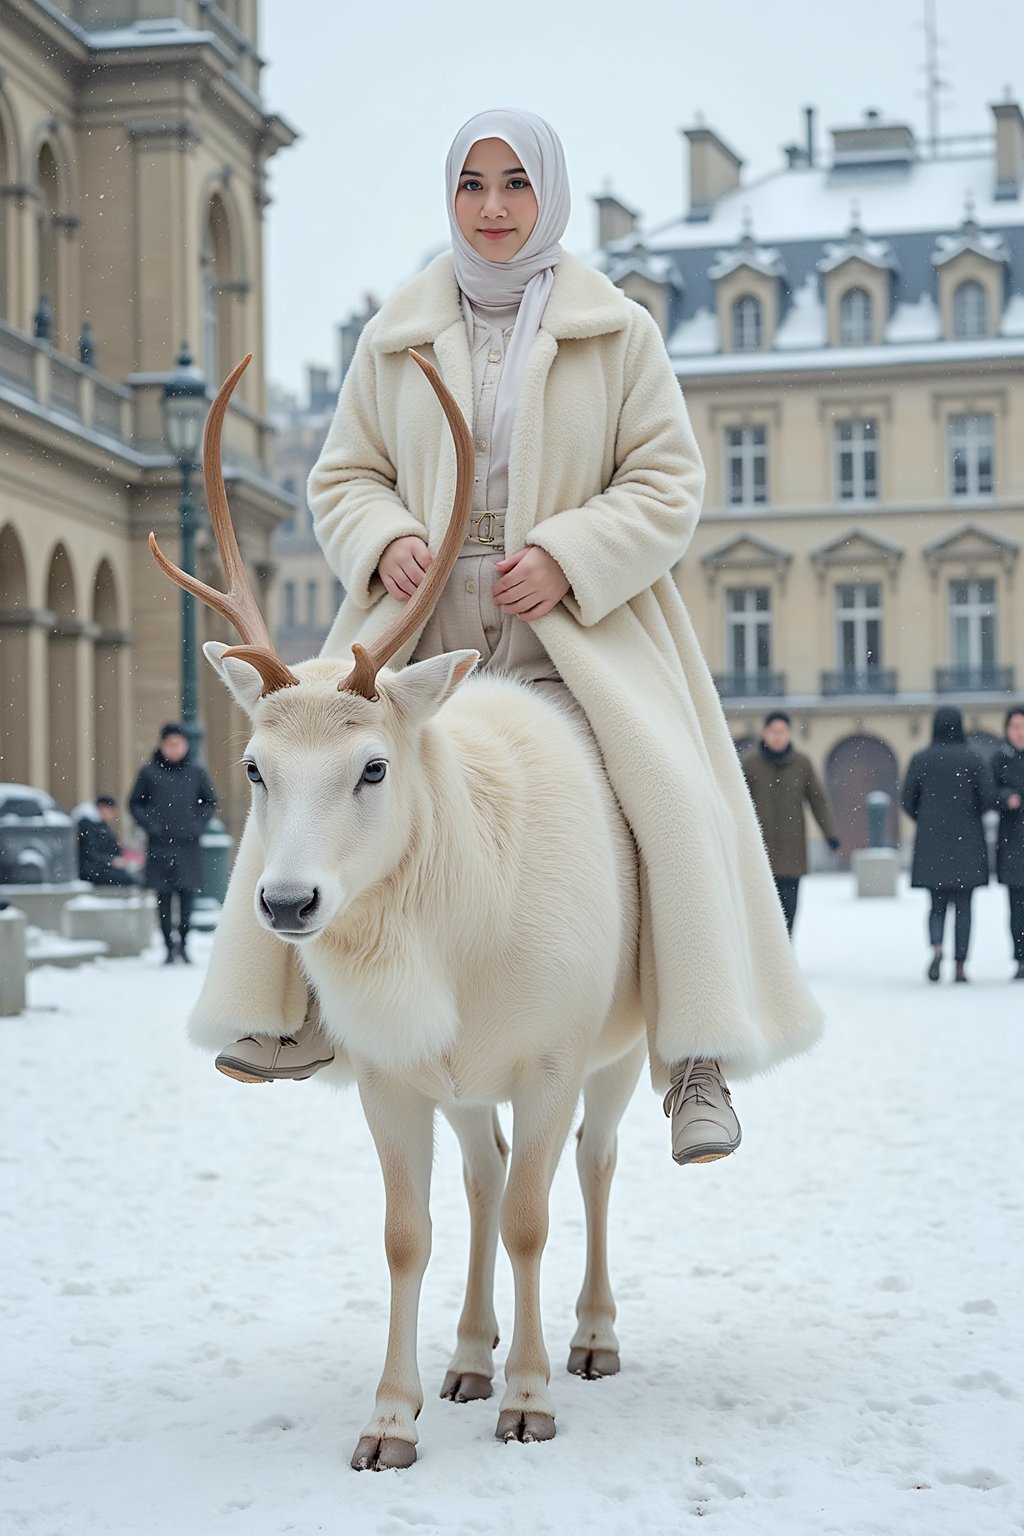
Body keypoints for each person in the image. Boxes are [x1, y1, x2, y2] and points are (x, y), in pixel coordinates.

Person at [189, 108, 823, 1168]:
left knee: (667, 798)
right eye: (472, 185)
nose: (491, 208)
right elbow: (342, 475)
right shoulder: (393, 336)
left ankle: (693, 1056)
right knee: (310, 779)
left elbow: (669, 482)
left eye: (514, 185)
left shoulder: (619, 332)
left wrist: (572, 552)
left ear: (549, 196)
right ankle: (288, 1010)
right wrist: (384, 537)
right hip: (415, 641)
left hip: (576, 639)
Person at [901, 705, 993, 983]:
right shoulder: (973, 759)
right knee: (964, 906)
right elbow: (988, 798)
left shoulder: (921, 759)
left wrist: (927, 818)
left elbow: (907, 800)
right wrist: (968, 815)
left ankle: (938, 947)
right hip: (968, 843)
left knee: (936, 904)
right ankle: (961, 965)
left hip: (932, 843)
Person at [740, 712, 840, 936]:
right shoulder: (750, 763)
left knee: (790, 905)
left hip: (792, 850)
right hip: (759, 850)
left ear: (789, 734)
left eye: (782, 732)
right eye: (773, 732)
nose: (777, 737)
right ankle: (766, 954)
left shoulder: (802, 763)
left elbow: (818, 800)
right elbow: (736, 802)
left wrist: (830, 834)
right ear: (765, 733)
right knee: (762, 908)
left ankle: (786, 949)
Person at [129, 724, 217, 964]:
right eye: (170, 744)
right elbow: (135, 804)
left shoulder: (196, 772)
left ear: (186, 746)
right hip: (160, 846)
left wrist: (197, 826)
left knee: (188, 898)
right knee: (163, 900)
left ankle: (184, 943)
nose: (175, 749)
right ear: (162, 745)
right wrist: (152, 827)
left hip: (188, 846)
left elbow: (209, 802)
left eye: (179, 744)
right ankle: (168, 946)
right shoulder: (149, 773)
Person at [994, 704, 1024, 980]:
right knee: (1017, 909)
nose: (1020, 733)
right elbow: (989, 792)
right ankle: (1021, 958)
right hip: (1014, 844)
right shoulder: (1000, 759)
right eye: (1015, 727)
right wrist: (1005, 798)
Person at [73, 795, 139, 887]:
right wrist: (111, 860)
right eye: (110, 811)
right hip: (92, 870)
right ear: (103, 808)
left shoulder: (101, 826)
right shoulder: (88, 826)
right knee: (129, 880)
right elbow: (89, 852)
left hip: (101, 867)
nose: (112, 815)